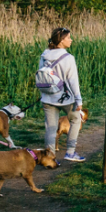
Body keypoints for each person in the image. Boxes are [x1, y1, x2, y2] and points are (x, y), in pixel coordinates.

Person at [37, 27, 84, 161]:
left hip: (47, 96)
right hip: (65, 98)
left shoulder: (44, 55)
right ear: (61, 41)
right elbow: (73, 80)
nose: (71, 40)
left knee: (51, 128)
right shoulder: (68, 58)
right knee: (76, 119)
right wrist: (79, 100)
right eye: (68, 37)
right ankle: (70, 152)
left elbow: (43, 75)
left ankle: (49, 157)